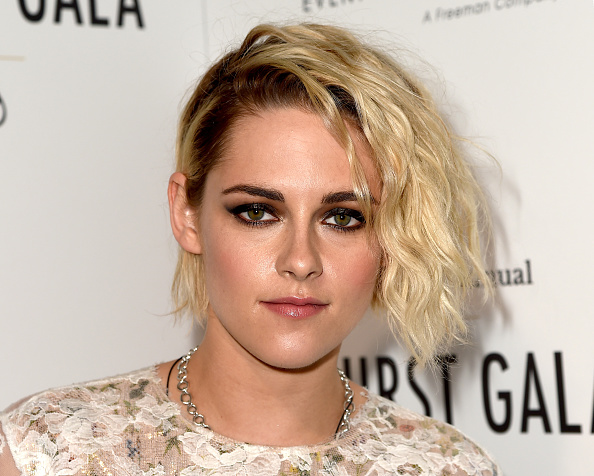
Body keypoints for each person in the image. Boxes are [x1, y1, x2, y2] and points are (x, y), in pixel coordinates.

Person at [0, 23, 500, 475]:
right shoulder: (51, 449)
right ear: (187, 214)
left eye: (343, 217)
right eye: (258, 212)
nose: (300, 261)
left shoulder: (446, 466)